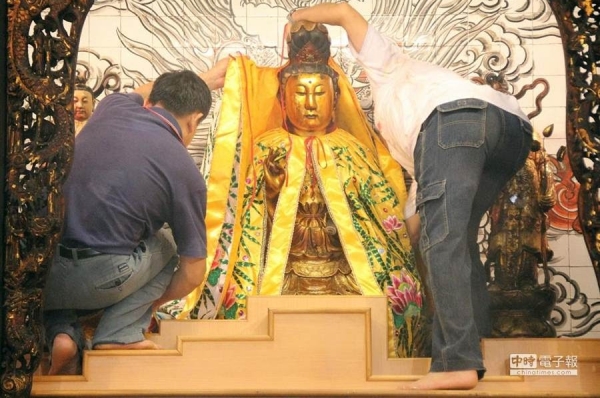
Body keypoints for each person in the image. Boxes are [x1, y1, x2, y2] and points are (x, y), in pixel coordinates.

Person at [290, 3, 533, 390]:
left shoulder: (388, 65)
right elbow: (419, 218)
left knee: (445, 242)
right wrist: (383, 248)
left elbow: (344, 12)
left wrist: (296, 17)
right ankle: (474, 350)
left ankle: (456, 362)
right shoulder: (413, 131)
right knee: (456, 240)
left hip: (458, 120)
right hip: (512, 131)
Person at [179, 21, 427, 358]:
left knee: (395, 300)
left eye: (319, 93)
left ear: (335, 98)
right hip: (283, 269)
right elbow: (245, 224)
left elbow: (381, 223)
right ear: (283, 98)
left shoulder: (353, 150)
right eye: (300, 93)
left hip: (344, 270)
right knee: (241, 301)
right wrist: (270, 192)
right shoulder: (268, 148)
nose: (310, 103)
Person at [42, 62, 228, 376]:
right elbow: (193, 272)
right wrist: (147, 303)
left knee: (60, 243)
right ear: (196, 120)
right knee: (170, 243)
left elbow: (144, 89)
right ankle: (120, 332)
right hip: (101, 279)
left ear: (152, 100)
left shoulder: (112, 107)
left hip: (41, 275)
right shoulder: (185, 171)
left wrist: (205, 79)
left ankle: (63, 336)